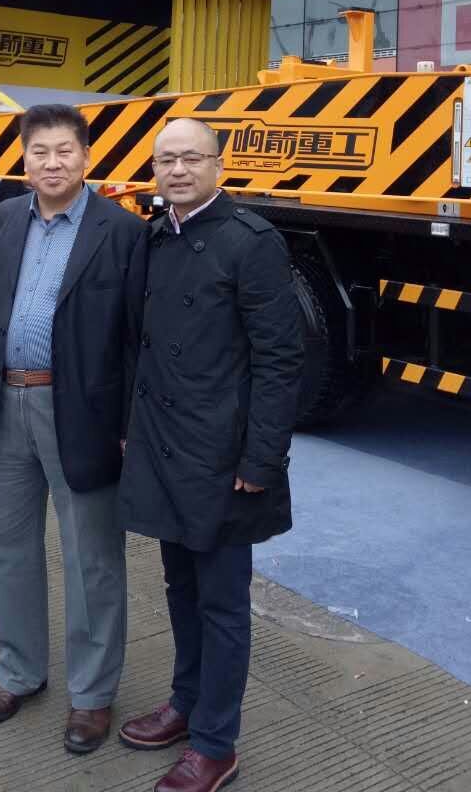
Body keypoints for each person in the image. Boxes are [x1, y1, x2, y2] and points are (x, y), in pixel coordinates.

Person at [117, 118, 303, 792]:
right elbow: (138, 346)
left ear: (218, 164)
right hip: (164, 444)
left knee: (222, 603)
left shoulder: (252, 242)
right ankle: (185, 703)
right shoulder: (154, 237)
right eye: (166, 160)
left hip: (223, 455)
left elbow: (281, 359)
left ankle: (216, 744)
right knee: (180, 586)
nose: (177, 170)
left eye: (191, 158)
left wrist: (261, 460)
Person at [0, 105, 147, 756]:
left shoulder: (122, 231)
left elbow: (135, 339)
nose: (52, 163)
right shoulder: (6, 218)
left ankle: (92, 694)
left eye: (64, 151)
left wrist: (127, 426)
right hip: (5, 404)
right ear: (24, 159)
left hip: (82, 412)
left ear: (87, 157)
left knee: (91, 558)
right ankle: (18, 672)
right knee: (7, 547)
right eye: (40, 152)